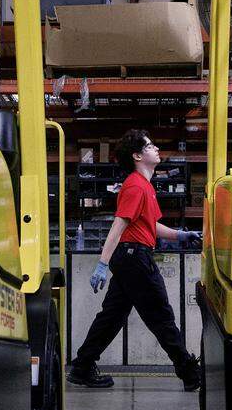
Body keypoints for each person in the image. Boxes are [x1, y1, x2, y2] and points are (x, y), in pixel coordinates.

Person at [68, 129, 202, 391]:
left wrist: (182, 235)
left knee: (112, 317)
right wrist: (102, 264)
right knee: (161, 316)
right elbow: (118, 225)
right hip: (135, 258)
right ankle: (189, 372)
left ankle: (82, 366)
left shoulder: (144, 186)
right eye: (150, 146)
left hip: (131, 258)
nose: (156, 149)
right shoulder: (135, 186)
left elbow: (151, 225)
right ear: (138, 155)